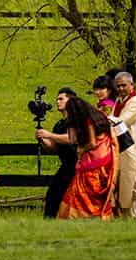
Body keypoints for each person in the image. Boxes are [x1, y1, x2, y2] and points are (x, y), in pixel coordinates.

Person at [37, 92, 116, 220]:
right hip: (78, 162)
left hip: (93, 162)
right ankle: (61, 217)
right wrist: (43, 137)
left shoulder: (88, 120)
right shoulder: (64, 123)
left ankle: (82, 216)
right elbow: (68, 141)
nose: (58, 102)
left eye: (61, 99)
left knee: (83, 193)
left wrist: (81, 150)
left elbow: (90, 142)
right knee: (59, 193)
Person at [109, 71, 136, 220]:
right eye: (118, 86)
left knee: (134, 184)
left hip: (133, 148)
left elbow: (121, 121)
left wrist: (104, 119)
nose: (120, 88)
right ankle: (127, 216)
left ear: (132, 85)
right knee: (125, 185)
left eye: (124, 85)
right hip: (122, 148)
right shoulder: (120, 100)